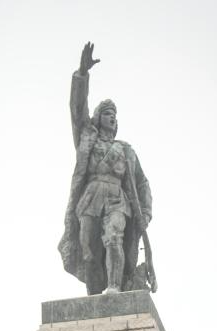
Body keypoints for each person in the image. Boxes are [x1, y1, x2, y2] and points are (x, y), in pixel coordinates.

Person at [58, 42, 153, 295]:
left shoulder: (126, 150)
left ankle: (114, 286)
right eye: (108, 113)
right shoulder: (86, 138)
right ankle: (94, 293)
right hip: (90, 198)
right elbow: (77, 109)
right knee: (88, 251)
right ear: (98, 117)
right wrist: (82, 74)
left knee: (114, 238)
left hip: (117, 199)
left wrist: (145, 212)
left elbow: (142, 183)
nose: (113, 117)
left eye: (115, 114)